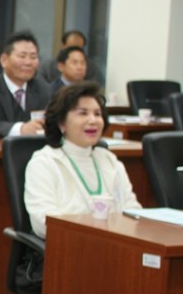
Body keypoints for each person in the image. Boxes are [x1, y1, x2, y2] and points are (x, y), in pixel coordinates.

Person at [24, 81, 141, 238]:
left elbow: (133, 211)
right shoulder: (44, 163)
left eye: (97, 114)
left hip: (116, 243)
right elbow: (42, 223)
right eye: (83, 113)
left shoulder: (109, 160)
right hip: (70, 245)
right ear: (61, 123)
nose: (93, 120)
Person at [0, 30, 51, 138]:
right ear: (4, 60)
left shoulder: (43, 88)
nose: (28, 62)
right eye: (22, 56)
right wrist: (20, 129)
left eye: (33, 57)